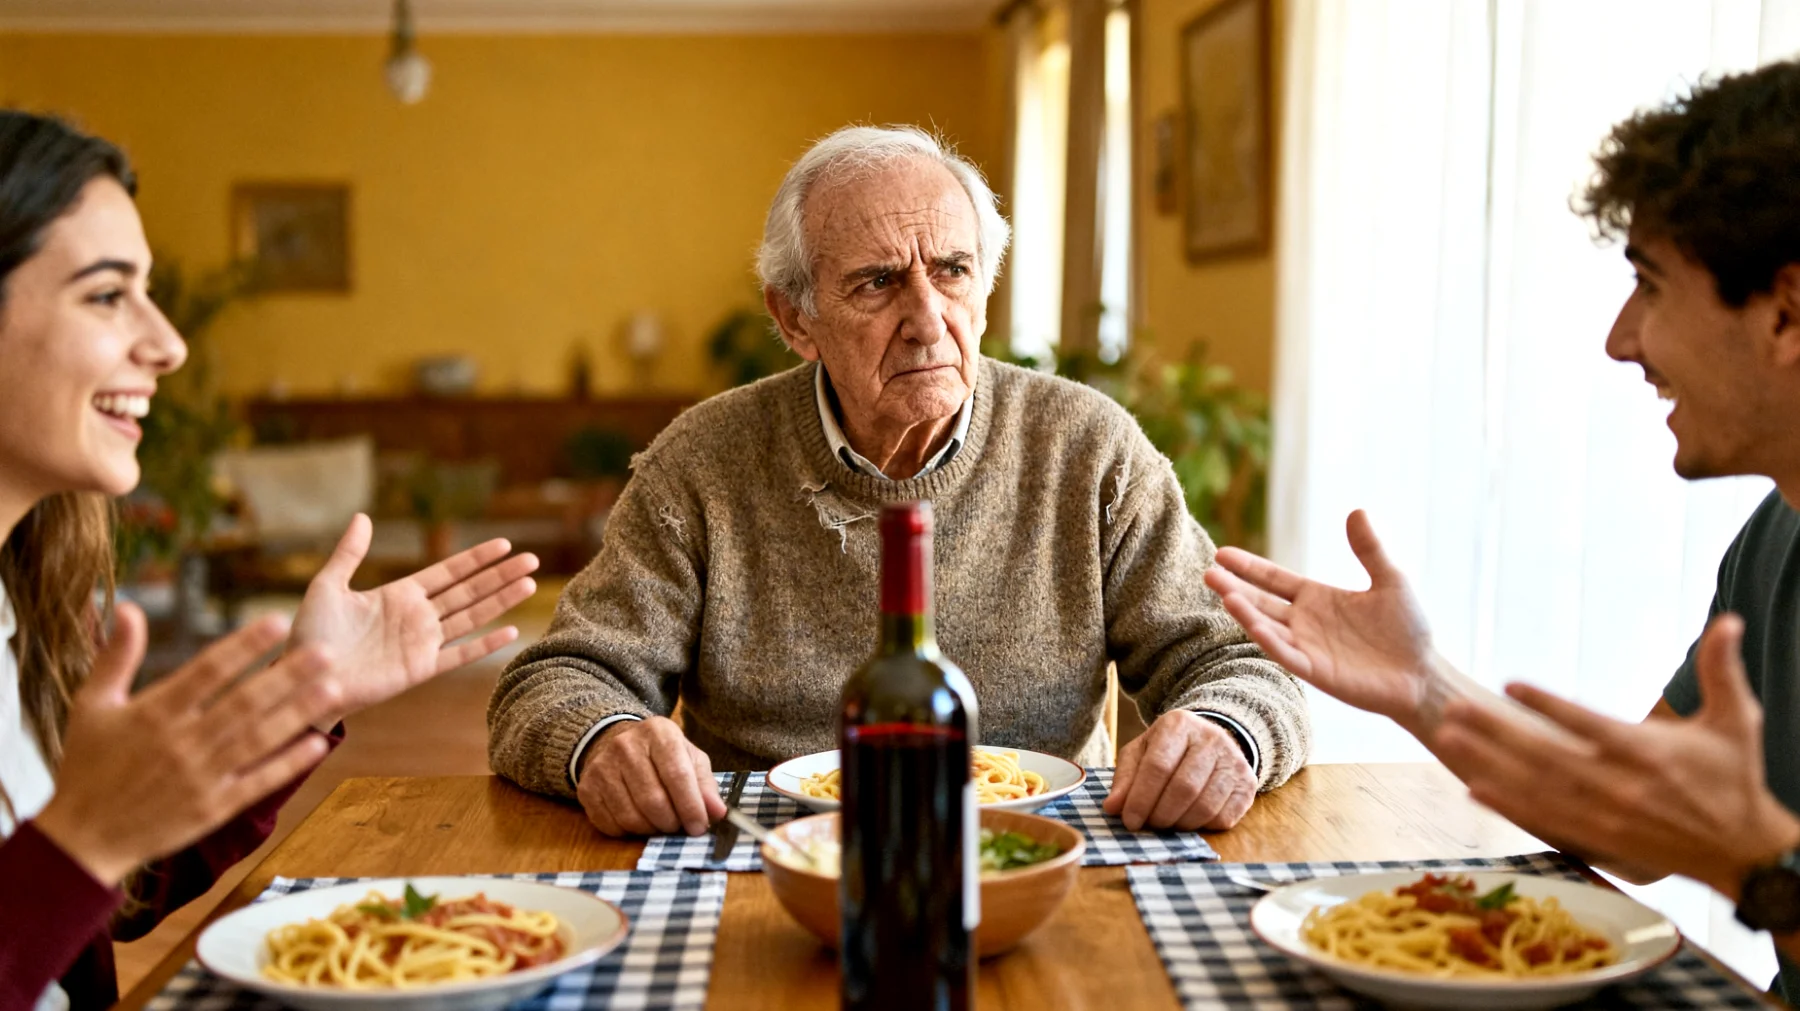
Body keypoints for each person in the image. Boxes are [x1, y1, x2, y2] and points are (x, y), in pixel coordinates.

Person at [488, 125, 1311, 840]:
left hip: (1034, 854)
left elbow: (1242, 663)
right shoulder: (701, 465)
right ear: (794, 320)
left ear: (984, 292)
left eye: (953, 270)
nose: (927, 319)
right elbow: (554, 681)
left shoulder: (1089, 449)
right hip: (765, 864)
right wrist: (603, 738)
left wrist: (1222, 730)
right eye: (878, 282)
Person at [1201, 60, 1800, 998]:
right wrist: (1422, 685)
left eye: (1650, 284)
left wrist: (1757, 863)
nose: (1621, 337)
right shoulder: (1778, 536)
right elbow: (1621, 822)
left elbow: (1723, 846)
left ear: (1787, 313)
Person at [0, 112, 541, 1010]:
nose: (167, 343)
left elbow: (120, 894)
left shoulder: (34, 606)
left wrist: (306, 689)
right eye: (106, 295)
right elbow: (75, 867)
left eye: (150, 290)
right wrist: (78, 844)